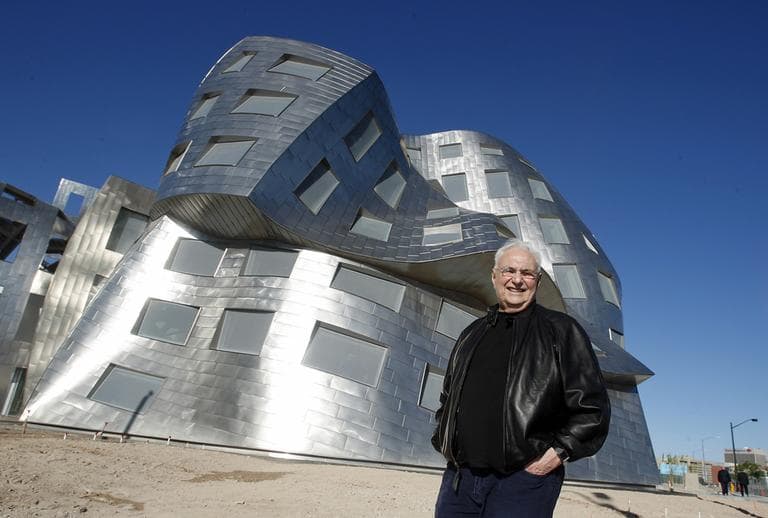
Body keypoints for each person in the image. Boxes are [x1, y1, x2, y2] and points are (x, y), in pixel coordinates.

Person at [432, 239, 611, 518]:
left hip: (522, 483)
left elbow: (593, 410)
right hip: (461, 480)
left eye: (527, 273)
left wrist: (553, 457)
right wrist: (444, 442)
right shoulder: (471, 334)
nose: (517, 280)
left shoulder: (562, 331)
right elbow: (447, 397)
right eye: (509, 271)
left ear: (537, 280)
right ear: (494, 276)